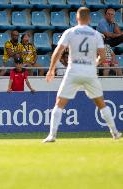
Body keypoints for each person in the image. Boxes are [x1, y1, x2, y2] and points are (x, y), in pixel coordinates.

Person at [43, 7, 122, 143]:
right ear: (89, 19)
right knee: (101, 104)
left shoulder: (70, 32)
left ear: (77, 18)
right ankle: (114, 132)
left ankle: (52, 135)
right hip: (89, 71)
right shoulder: (96, 34)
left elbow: (58, 51)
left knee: (59, 103)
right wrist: (94, 65)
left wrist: (51, 70)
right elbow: (103, 57)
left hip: (73, 70)